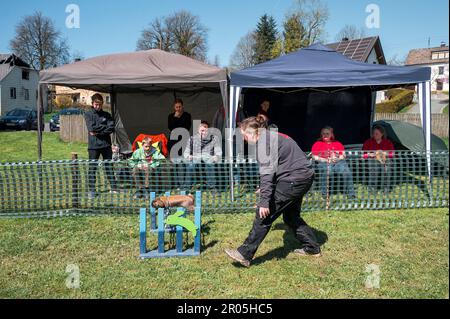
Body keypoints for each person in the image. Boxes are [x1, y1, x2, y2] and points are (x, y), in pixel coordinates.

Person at [224, 116, 322, 268]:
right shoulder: (270, 136)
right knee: (291, 216)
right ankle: (312, 248)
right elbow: (281, 164)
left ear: (253, 131)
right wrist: (266, 188)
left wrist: (264, 202)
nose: (243, 138)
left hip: (294, 179)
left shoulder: (264, 143)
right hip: (302, 177)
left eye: (244, 134)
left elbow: (267, 173)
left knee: (264, 215)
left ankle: (244, 254)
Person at [84, 93, 117, 199]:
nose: (98, 106)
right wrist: (103, 128)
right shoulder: (88, 114)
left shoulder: (107, 115)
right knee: (92, 168)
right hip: (93, 146)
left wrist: (98, 132)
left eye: (100, 104)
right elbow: (91, 128)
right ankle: (92, 190)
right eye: (96, 104)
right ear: (92, 103)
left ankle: (114, 187)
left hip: (106, 145)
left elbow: (111, 128)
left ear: (102, 104)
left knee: (109, 166)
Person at [311, 126, 356, 199]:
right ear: (321, 135)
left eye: (327, 133)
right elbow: (314, 156)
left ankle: (351, 194)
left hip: (337, 162)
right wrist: (326, 160)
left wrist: (337, 159)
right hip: (324, 162)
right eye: (323, 133)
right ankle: (325, 194)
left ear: (331, 134)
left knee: (346, 171)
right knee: (328, 171)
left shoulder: (337, 143)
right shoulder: (317, 144)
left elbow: (343, 155)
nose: (325, 135)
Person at [182, 120, 222, 192]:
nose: (203, 132)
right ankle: (186, 188)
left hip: (208, 159)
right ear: (198, 130)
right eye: (201, 130)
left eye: (205, 130)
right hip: (196, 159)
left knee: (209, 163)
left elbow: (218, 152)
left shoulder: (214, 138)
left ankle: (212, 187)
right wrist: (188, 156)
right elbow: (186, 153)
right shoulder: (192, 139)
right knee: (191, 165)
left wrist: (216, 156)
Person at [362, 125, 395, 194]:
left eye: (377, 133)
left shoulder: (388, 142)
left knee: (387, 168)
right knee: (374, 167)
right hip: (372, 160)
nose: (375, 135)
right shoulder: (368, 142)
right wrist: (371, 154)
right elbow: (363, 155)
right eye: (373, 133)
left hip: (384, 160)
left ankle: (386, 188)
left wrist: (383, 153)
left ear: (382, 134)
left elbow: (392, 154)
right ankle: (372, 189)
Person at [168, 98, 191, 189]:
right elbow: (171, 127)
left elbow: (186, 127)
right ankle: (176, 184)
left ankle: (184, 183)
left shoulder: (187, 115)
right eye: (176, 107)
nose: (178, 109)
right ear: (174, 107)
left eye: (180, 107)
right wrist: (175, 118)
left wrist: (178, 118)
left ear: (182, 106)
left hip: (184, 140)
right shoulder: (170, 116)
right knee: (175, 163)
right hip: (173, 142)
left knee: (184, 162)